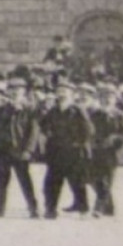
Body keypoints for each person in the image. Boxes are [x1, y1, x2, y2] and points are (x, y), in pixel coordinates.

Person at [0, 78, 40, 218]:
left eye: (18, 89)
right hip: (3, 149)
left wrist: (28, 149)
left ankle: (33, 208)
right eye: (12, 89)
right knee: (0, 179)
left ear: (24, 92)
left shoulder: (30, 109)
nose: (15, 92)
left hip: (20, 149)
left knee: (25, 180)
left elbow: (33, 131)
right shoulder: (3, 108)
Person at [40, 82, 93, 221]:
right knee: (52, 182)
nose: (61, 94)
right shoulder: (53, 110)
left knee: (77, 182)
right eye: (59, 91)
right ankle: (50, 209)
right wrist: (49, 135)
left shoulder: (77, 110)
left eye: (65, 91)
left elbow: (88, 130)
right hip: (56, 151)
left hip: (73, 153)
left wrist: (78, 143)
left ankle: (83, 209)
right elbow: (43, 124)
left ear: (71, 94)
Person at [88, 83, 123, 218]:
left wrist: (114, 139)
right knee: (92, 179)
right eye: (103, 96)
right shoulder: (94, 114)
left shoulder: (121, 116)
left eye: (110, 96)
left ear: (115, 99)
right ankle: (109, 207)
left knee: (106, 179)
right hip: (96, 151)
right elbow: (88, 130)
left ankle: (99, 208)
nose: (107, 99)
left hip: (112, 152)